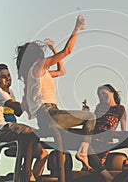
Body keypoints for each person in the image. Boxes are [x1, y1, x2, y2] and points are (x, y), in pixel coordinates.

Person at [15, 15, 114, 182]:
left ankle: (106, 176)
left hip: (44, 118)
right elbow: (67, 51)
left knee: (84, 140)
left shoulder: (36, 74)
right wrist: (76, 29)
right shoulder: (38, 66)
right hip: (50, 113)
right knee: (90, 116)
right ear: (37, 56)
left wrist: (54, 50)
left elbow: (61, 71)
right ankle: (83, 154)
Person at [0, 64, 47, 181]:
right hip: (1, 128)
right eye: (3, 77)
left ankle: (30, 177)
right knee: (31, 132)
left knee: (43, 154)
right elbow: (18, 108)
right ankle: (27, 172)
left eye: (8, 75)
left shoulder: (10, 92)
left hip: (10, 127)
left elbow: (17, 113)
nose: (8, 78)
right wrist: (31, 96)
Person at [79, 84, 127, 169]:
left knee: (99, 165)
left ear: (112, 93)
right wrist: (86, 114)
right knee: (89, 166)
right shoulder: (99, 108)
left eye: (104, 93)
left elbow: (124, 130)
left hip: (105, 140)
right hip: (93, 138)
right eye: (100, 95)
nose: (102, 96)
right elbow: (92, 123)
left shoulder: (120, 109)